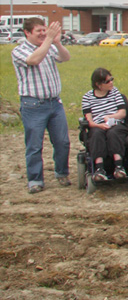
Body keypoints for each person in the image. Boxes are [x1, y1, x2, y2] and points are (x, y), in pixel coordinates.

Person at [12, 18, 71, 193]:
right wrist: (48, 40)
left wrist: (58, 43)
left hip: (54, 103)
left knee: (62, 142)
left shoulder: (50, 47)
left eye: (44, 30)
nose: (43, 34)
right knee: (34, 145)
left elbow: (65, 57)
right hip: (33, 105)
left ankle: (62, 173)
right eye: (39, 31)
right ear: (27, 33)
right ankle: (35, 179)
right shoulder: (19, 51)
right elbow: (34, 60)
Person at [81, 68, 128, 182]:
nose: (111, 83)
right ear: (98, 85)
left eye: (111, 79)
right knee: (97, 134)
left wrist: (110, 117)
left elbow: (122, 113)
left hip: (116, 123)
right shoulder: (87, 97)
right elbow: (89, 120)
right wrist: (98, 125)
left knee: (113, 132)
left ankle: (119, 166)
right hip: (97, 125)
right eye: (107, 81)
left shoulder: (115, 92)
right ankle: (99, 168)